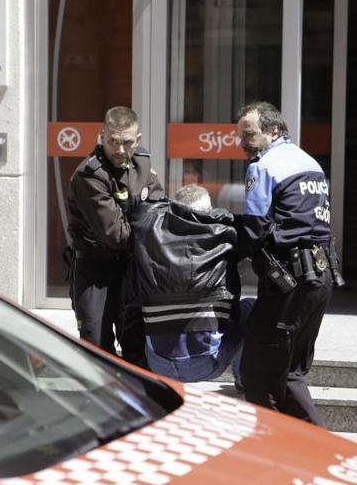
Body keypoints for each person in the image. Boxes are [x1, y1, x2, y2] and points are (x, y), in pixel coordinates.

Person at [234, 101, 338, 426]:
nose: (242, 142)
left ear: (272, 130)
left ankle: (316, 450)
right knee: (290, 372)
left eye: (248, 135)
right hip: (320, 278)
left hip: (288, 284)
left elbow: (253, 229)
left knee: (258, 375)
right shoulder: (310, 163)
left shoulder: (264, 166)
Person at [66, 106, 164, 367]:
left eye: (127, 142)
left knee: (136, 343)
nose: (120, 150)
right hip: (95, 268)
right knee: (97, 345)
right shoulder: (90, 175)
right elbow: (116, 235)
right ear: (102, 135)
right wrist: (144, 225)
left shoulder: (142, 162)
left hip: (133, 267)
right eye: (113, 141)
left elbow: (159, 211)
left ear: (138, 140)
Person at [128, 184, 245, 386]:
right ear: (209, 212)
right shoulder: (223, 239)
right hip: (207, 364)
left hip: (158, 363)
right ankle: (244, 380)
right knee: (250, 308)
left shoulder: (150, 242)